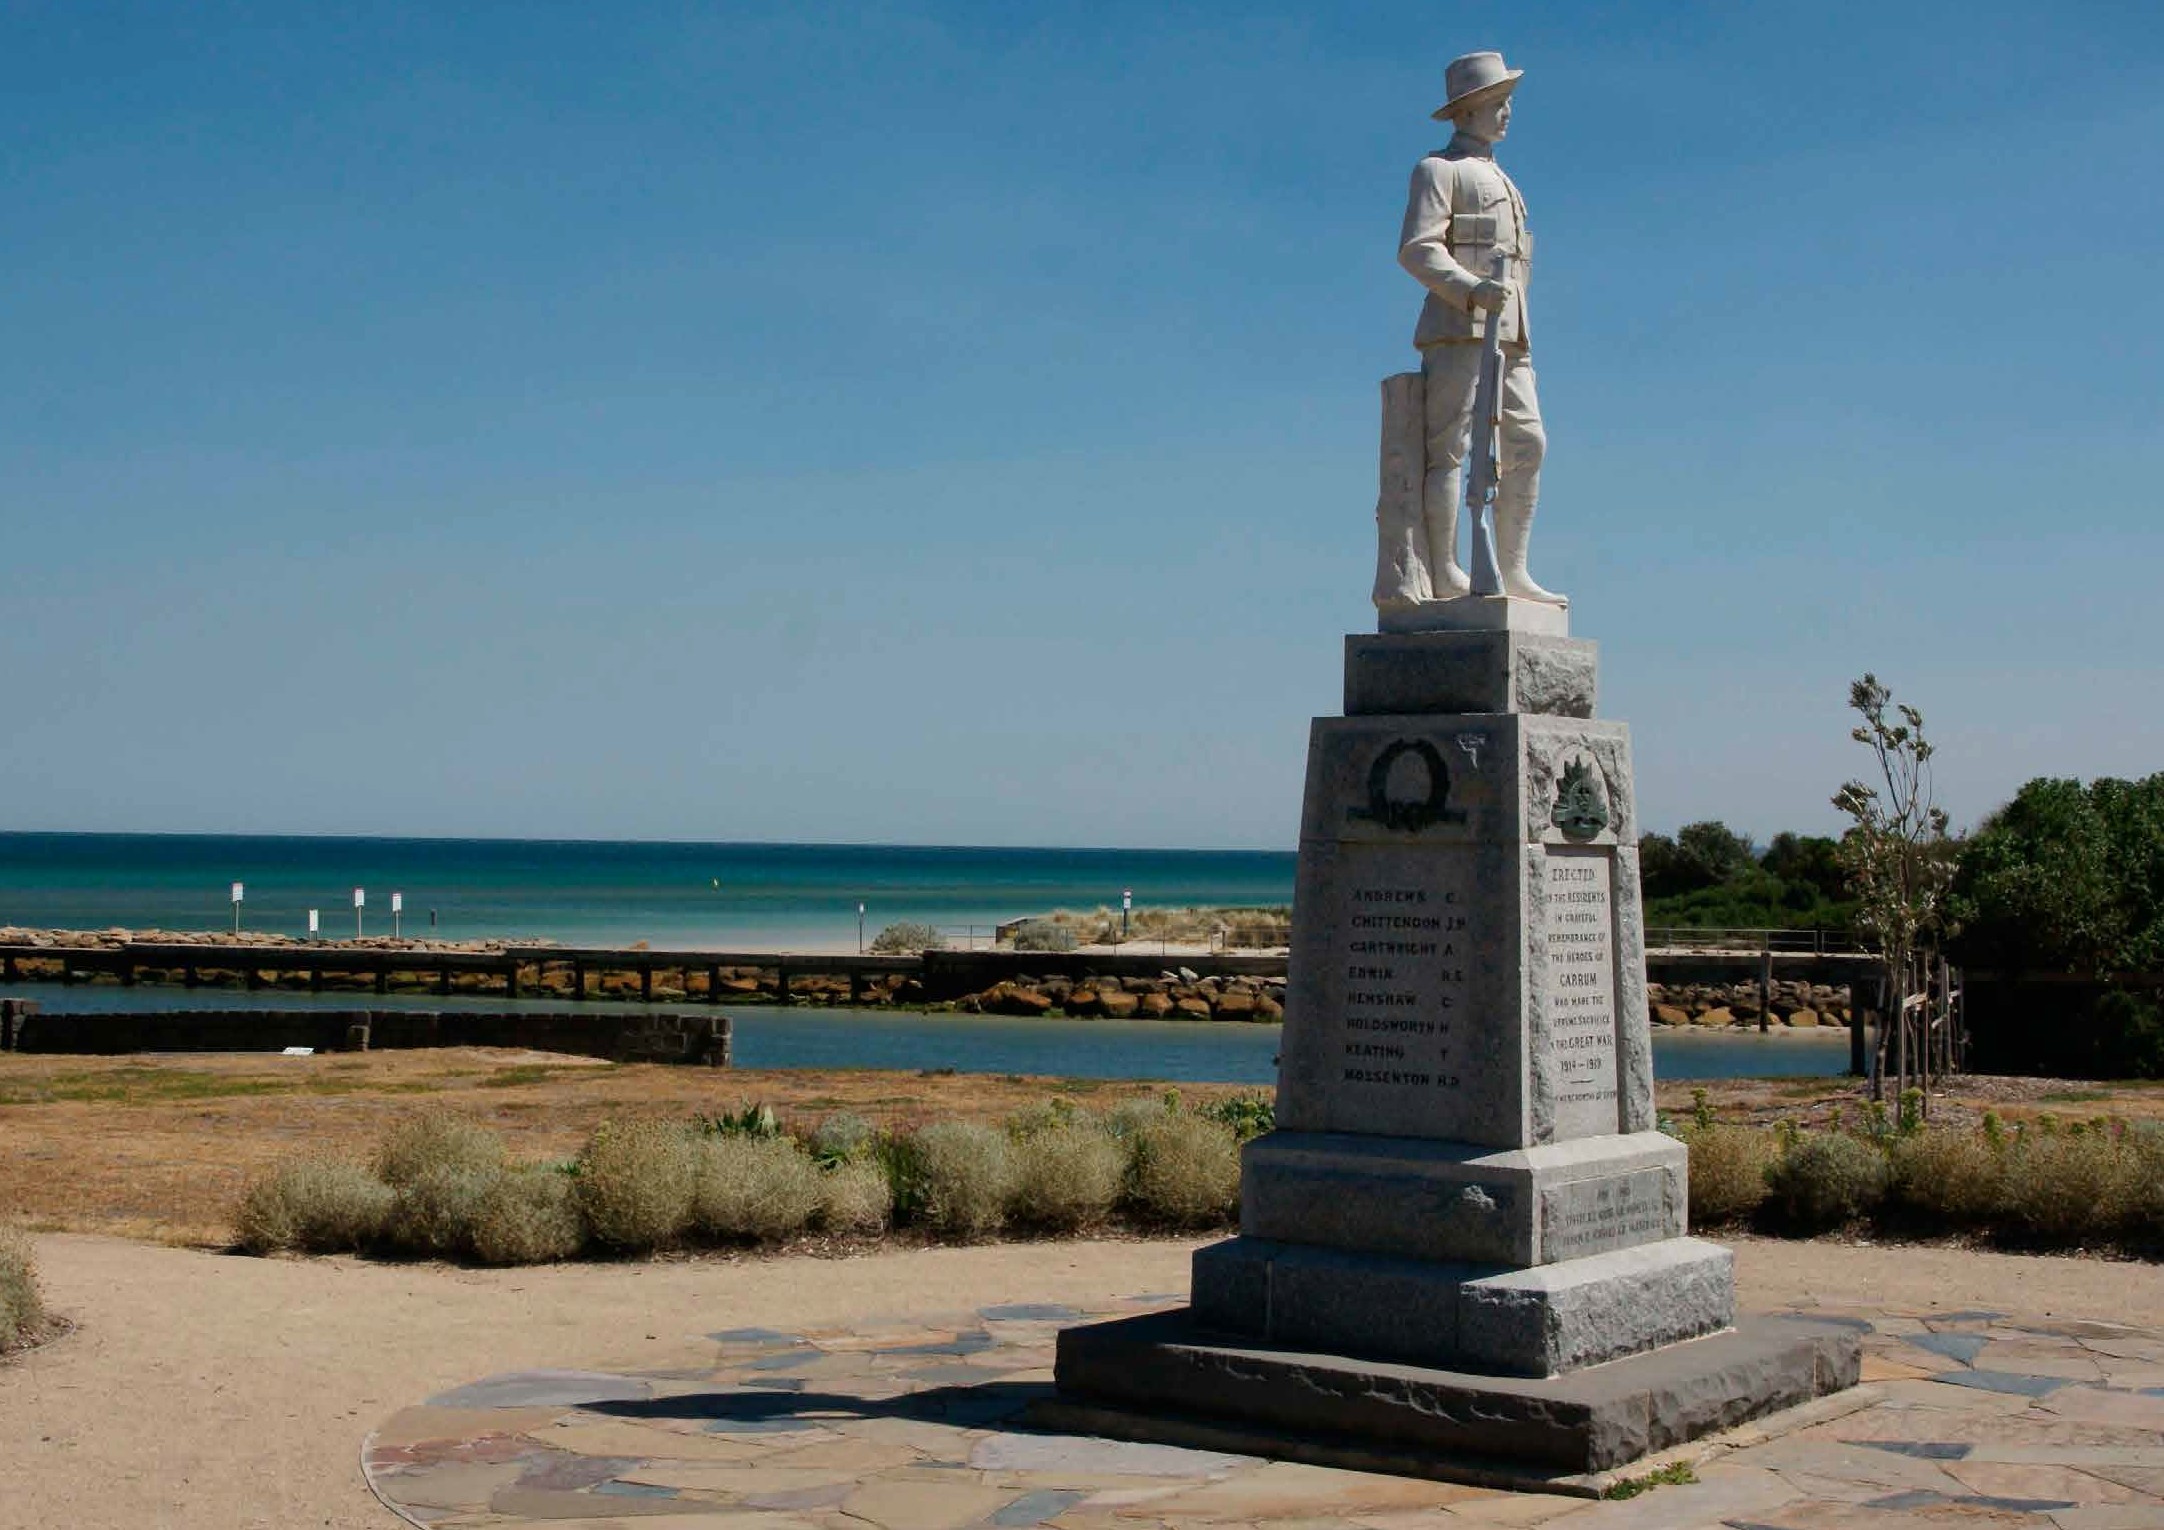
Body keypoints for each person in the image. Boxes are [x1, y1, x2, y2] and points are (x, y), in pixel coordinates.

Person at [1386, 51, 1565, 611]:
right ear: (1467, 112)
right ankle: (1444, 571)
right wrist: (1469, 288)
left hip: (1510, 336)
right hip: (1458, 329)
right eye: (1496, 102)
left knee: (1527, 442)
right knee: (1452, 452)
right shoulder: (1439, 170)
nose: (1507, 112)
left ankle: (1512, 570)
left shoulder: (1504, 179)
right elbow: (1417, 251)